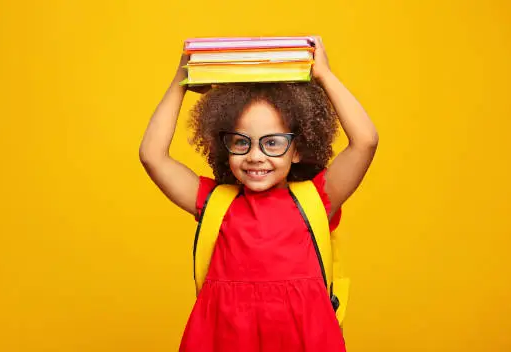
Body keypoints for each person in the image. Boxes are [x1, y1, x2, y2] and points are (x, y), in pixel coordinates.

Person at [139, 36, 378, 352]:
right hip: (223, 337)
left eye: (273, 142)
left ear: (298, 149)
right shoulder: (216, 202)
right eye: (241, 142)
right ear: (224, 145)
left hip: (302, 338)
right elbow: (152, 156)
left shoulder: (316, 199)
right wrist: (179, 83)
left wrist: (325, 76)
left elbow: (366, 141)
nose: (255, 156)